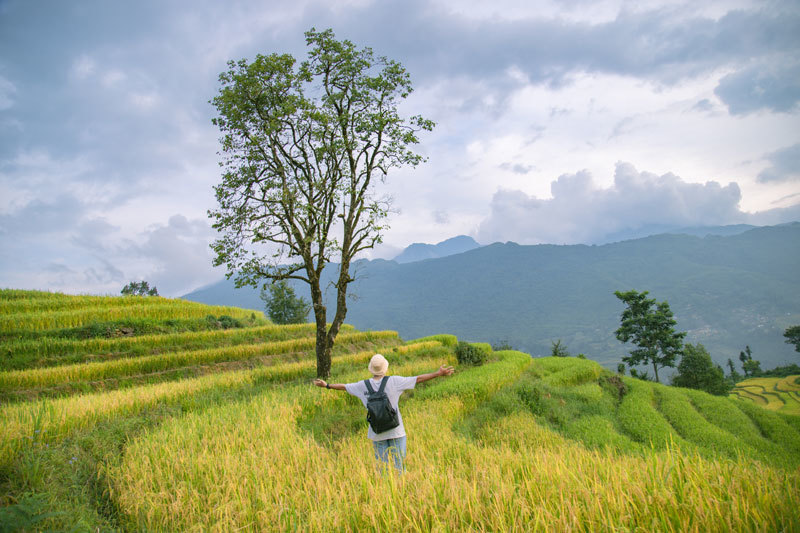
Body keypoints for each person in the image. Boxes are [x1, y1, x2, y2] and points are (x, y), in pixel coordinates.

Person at [313, 353, 454, 472]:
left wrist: (327, 385)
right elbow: (418, 379)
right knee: (400, 468)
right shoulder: (394, 381)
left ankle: (384, 494)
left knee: (382, 469)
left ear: (371, 370)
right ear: (385, 368)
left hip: (377, 433)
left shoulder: (362, 385)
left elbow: (344, 387)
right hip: (396, 431)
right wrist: (438, 373)